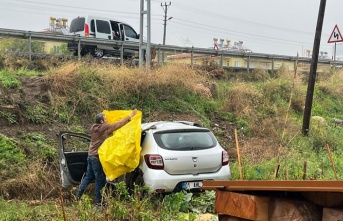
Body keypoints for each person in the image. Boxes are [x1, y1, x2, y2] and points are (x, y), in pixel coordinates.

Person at [76, 109, 137, 207]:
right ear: (101, 121)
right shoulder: (103, 127)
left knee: (88, 177)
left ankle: (78, 196)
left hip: (90, 156)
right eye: (105, 119)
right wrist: (130, 116)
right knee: (100, 180)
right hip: (96, 158)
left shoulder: (93, 128)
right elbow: (118, 124)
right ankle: (99, 204)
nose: (107, 120)